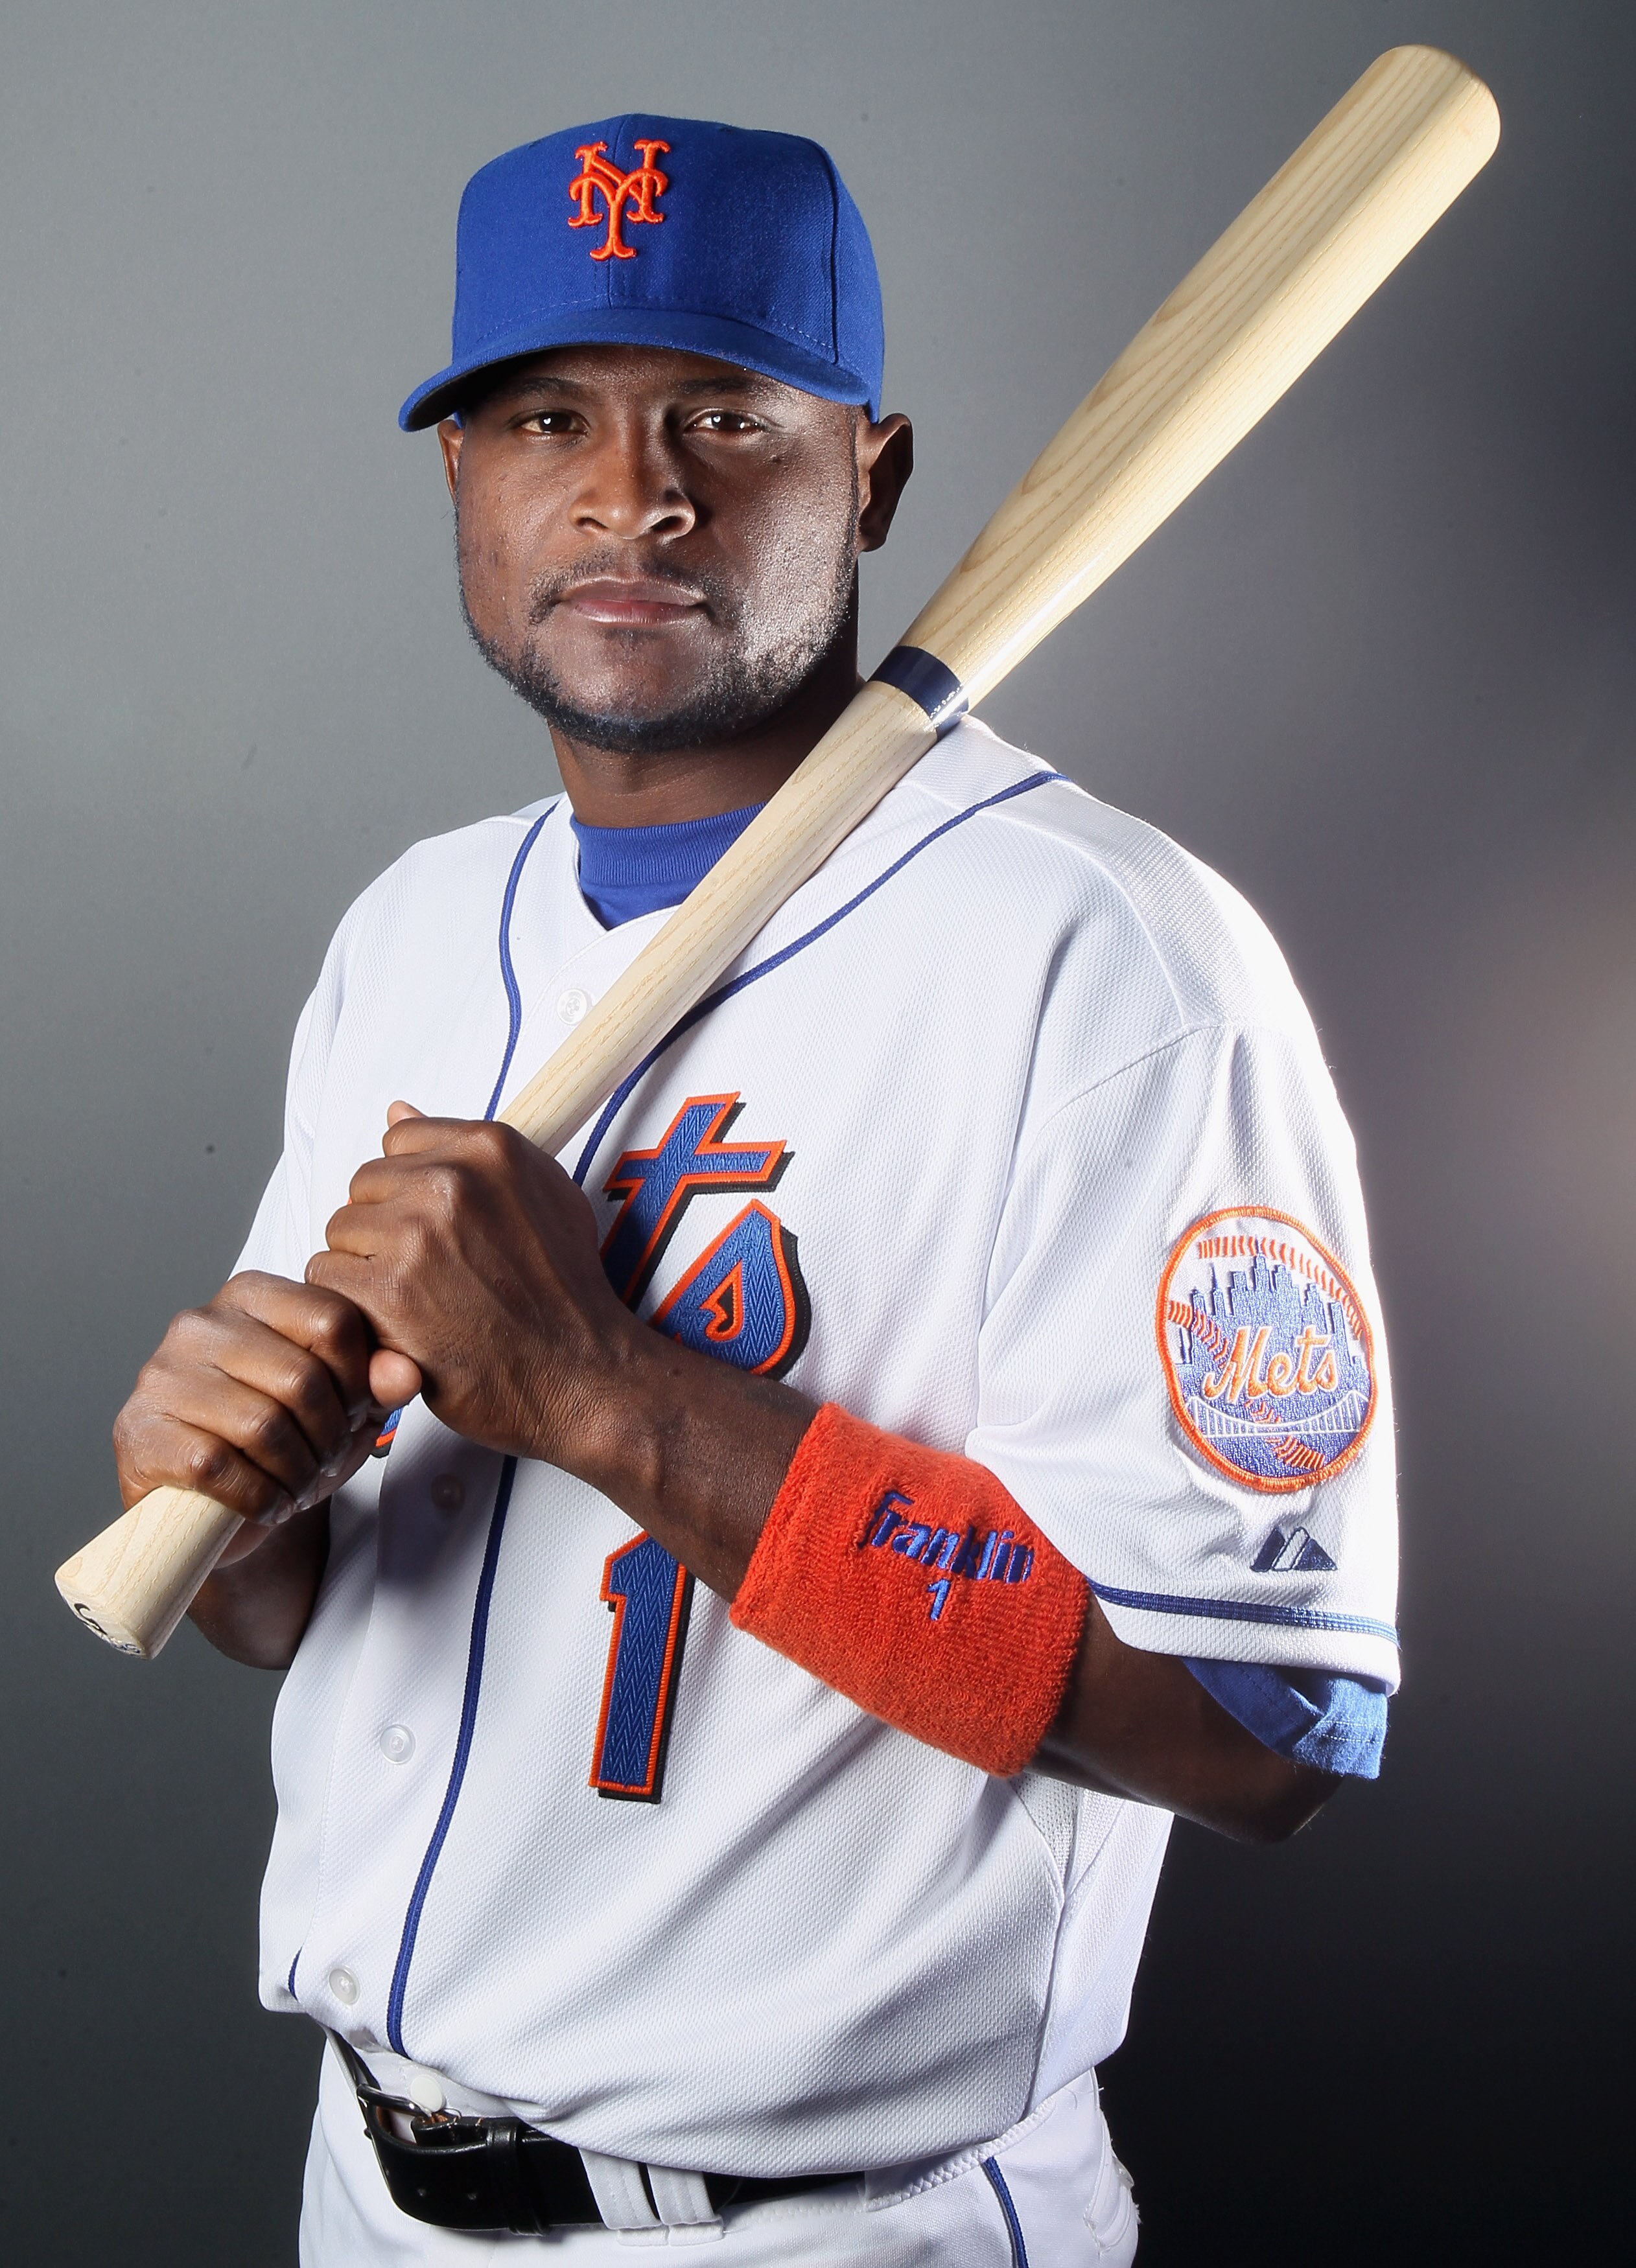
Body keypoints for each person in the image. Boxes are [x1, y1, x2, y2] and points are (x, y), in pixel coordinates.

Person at [112, 117, 1398, 2263]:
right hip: (363, 2183)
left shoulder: (1110, 958)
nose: (637, 492)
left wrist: (608, 1391)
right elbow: (324, 1616)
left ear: (871, 474)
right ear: (461, 478)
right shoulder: (414, 928)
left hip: (821, 2226)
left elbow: (1253, 1720)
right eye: (547, 417)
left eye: (725, 410)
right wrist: (236, 1510)